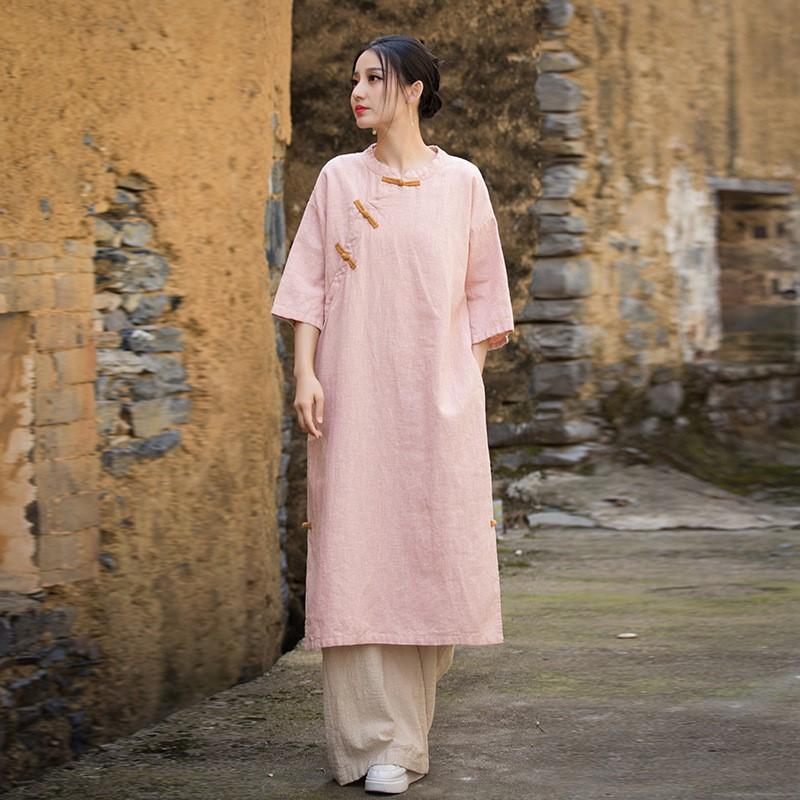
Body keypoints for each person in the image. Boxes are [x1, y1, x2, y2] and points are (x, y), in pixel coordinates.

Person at [270, 33, 515, 794]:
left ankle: (404, 734)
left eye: (374, 79)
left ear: (412, 90)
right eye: (355, 79)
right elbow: (308, 284)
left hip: (438, 405)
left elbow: (485, 296)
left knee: (429, 554)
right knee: (357, 553)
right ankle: (380, 743)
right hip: (353, 397)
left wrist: (462, 385)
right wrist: (305, 374)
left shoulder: (463, 183)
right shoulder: (339, 179)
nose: (357, 91)